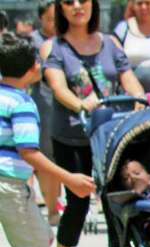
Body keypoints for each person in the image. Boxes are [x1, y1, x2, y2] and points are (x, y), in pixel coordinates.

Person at [41, 0, 143, 247]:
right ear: (60, 8)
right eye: (68, 2)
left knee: (119, 203)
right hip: (72, 138)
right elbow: (58, 88)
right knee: (78, 204)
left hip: (110, 135)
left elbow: (128, 77)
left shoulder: (110, 42)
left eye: (82, 1)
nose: (76, 7)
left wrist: (138, 97)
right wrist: (81, 104)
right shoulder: (54, 48)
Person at [0, 31, 94, 247]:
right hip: (11, 186)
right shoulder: (22, 104)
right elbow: (29, 152)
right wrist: (71, 179)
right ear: (31, 69)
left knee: (42, 239)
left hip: (7, 186)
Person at [29, 2, 59, 226]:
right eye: (51, 19)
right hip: (45, 106)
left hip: (72, 109)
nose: (56, 23)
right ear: (41, 19)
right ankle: (52, 208)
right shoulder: (32, 41)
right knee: (48, 158)